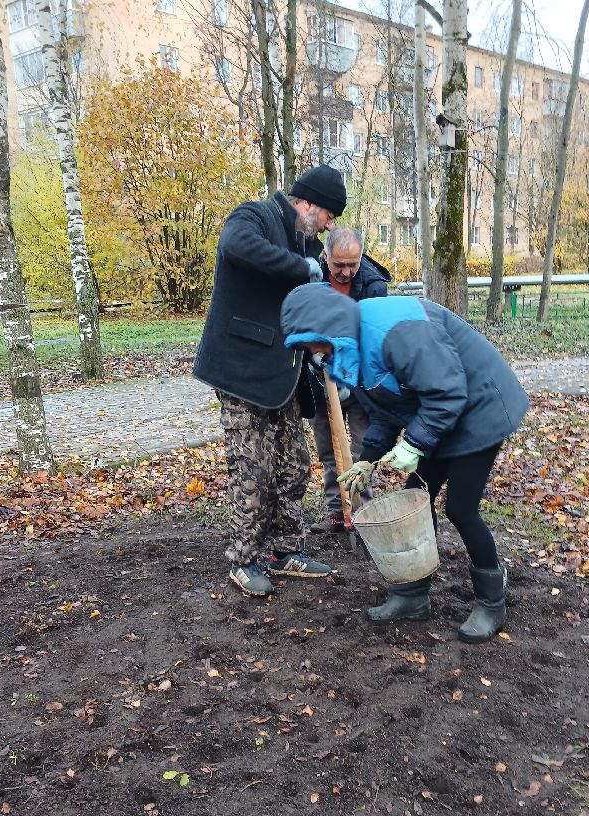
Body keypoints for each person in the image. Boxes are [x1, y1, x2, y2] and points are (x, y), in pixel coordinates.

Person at [280, 284, 530, 642]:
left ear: (325, 327)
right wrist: (367, 461)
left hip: (481, 407)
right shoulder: (349, 348)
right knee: (417, 498)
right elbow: (387, 411)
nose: (312, 352)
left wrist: (414, 444)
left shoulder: (394, 332)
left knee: (461, 509)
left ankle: (492, 602)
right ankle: (412, 596)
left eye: (310, 342)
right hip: (440, 412)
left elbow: (447, 392)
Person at [193, 165, 348, 597]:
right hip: (242, 369)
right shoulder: (255, 216)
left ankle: (282, 550)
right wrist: (302, 267)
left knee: (294, 466)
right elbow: (235, 246)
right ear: (308, 203)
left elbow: (303, 304)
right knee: (252, 470)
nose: (329, 224)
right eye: (329, 214)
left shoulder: (308, 242)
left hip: (283, 376)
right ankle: (244, 559)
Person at [309, 227, 391, 533]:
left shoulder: (374, 285)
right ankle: (336, 510)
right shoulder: (309, 278)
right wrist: (317, 361)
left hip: (362, 383)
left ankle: (362, 510)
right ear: (325, 256)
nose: (345, 272)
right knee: (329, 448)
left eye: (352, 264)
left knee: (362, 448)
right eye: (338, 265)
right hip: (320, 380)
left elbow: (376, 337)